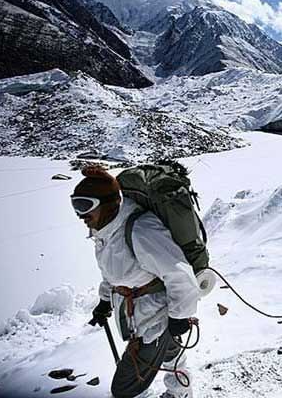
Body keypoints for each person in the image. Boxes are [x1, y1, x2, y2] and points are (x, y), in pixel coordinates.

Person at [71, 166, 199, 398]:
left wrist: (179, 317)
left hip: (154, 316)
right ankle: (181, 392)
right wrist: (104, 302)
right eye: (76, 205)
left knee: (125, 388)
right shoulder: (106, 231)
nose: (81, 214)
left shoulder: (140, 229)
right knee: (170, 353)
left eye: (85, 205)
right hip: (138, 313)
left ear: (108, 204)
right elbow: (115, 271)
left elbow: (180, 274)